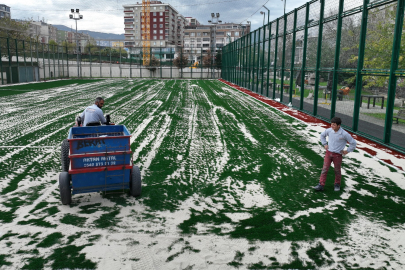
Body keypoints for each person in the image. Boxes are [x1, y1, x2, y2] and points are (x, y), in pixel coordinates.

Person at [313, 117, 356, 192]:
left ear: (339, 125)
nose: (332, 126)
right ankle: (321, 185)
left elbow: (353, 143)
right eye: (331, 124)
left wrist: (347, 151)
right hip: (328, 153)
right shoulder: (329, 131)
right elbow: (322, 135)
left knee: (337, 170)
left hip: (338, 155)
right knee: (324, 169)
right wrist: (325, 144)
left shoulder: (344, 134)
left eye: (334, 125)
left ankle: (337, 184)